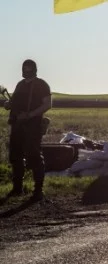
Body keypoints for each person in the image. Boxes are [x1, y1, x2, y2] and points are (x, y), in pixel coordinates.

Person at [3, 59, 52, 202]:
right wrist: (8, 105)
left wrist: (30, 115)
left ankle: (38, 191)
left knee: (34, 156)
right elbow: (14, 103)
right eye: (25, 67)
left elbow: (47, 104)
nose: (26, 69)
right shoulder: (19, 85)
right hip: (17, 124)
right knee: (16, 155)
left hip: (33, 126)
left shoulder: (41, 84)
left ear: (34, 69)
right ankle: (18, 189)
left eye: (29, 67)